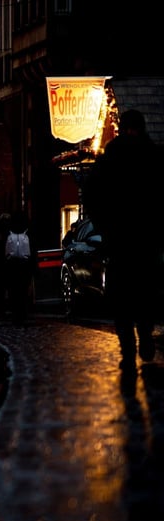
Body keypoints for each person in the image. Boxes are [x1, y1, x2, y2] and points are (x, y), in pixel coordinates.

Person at [84, 109, 164, 375]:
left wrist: (105, 227)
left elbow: (92, 196)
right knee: (146, 292)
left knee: (122, 298)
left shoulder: (111, 158)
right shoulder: (153, 156)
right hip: (146, 241)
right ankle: (144, 334)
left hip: (118, 240)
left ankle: (128, 350)